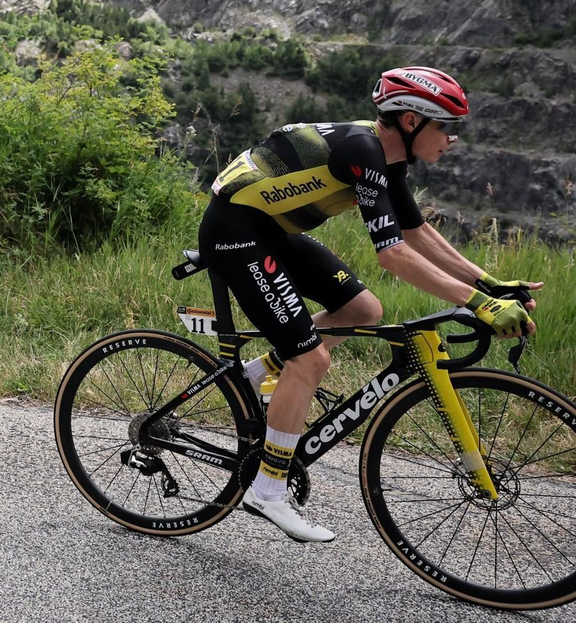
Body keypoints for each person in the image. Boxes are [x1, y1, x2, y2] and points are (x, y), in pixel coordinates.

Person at [202, 66, 538, 543]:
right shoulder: (362, 150)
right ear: (410, 122)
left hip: (272, 230)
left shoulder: (388, 156)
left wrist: (489, 284)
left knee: (364, 311)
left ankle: (255, 375)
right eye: (445, 126)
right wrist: (478, 303)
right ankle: (268, 490)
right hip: (235, 233)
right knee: (310, 360)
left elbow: (416, 232)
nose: (452, 138)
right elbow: (392, 254)